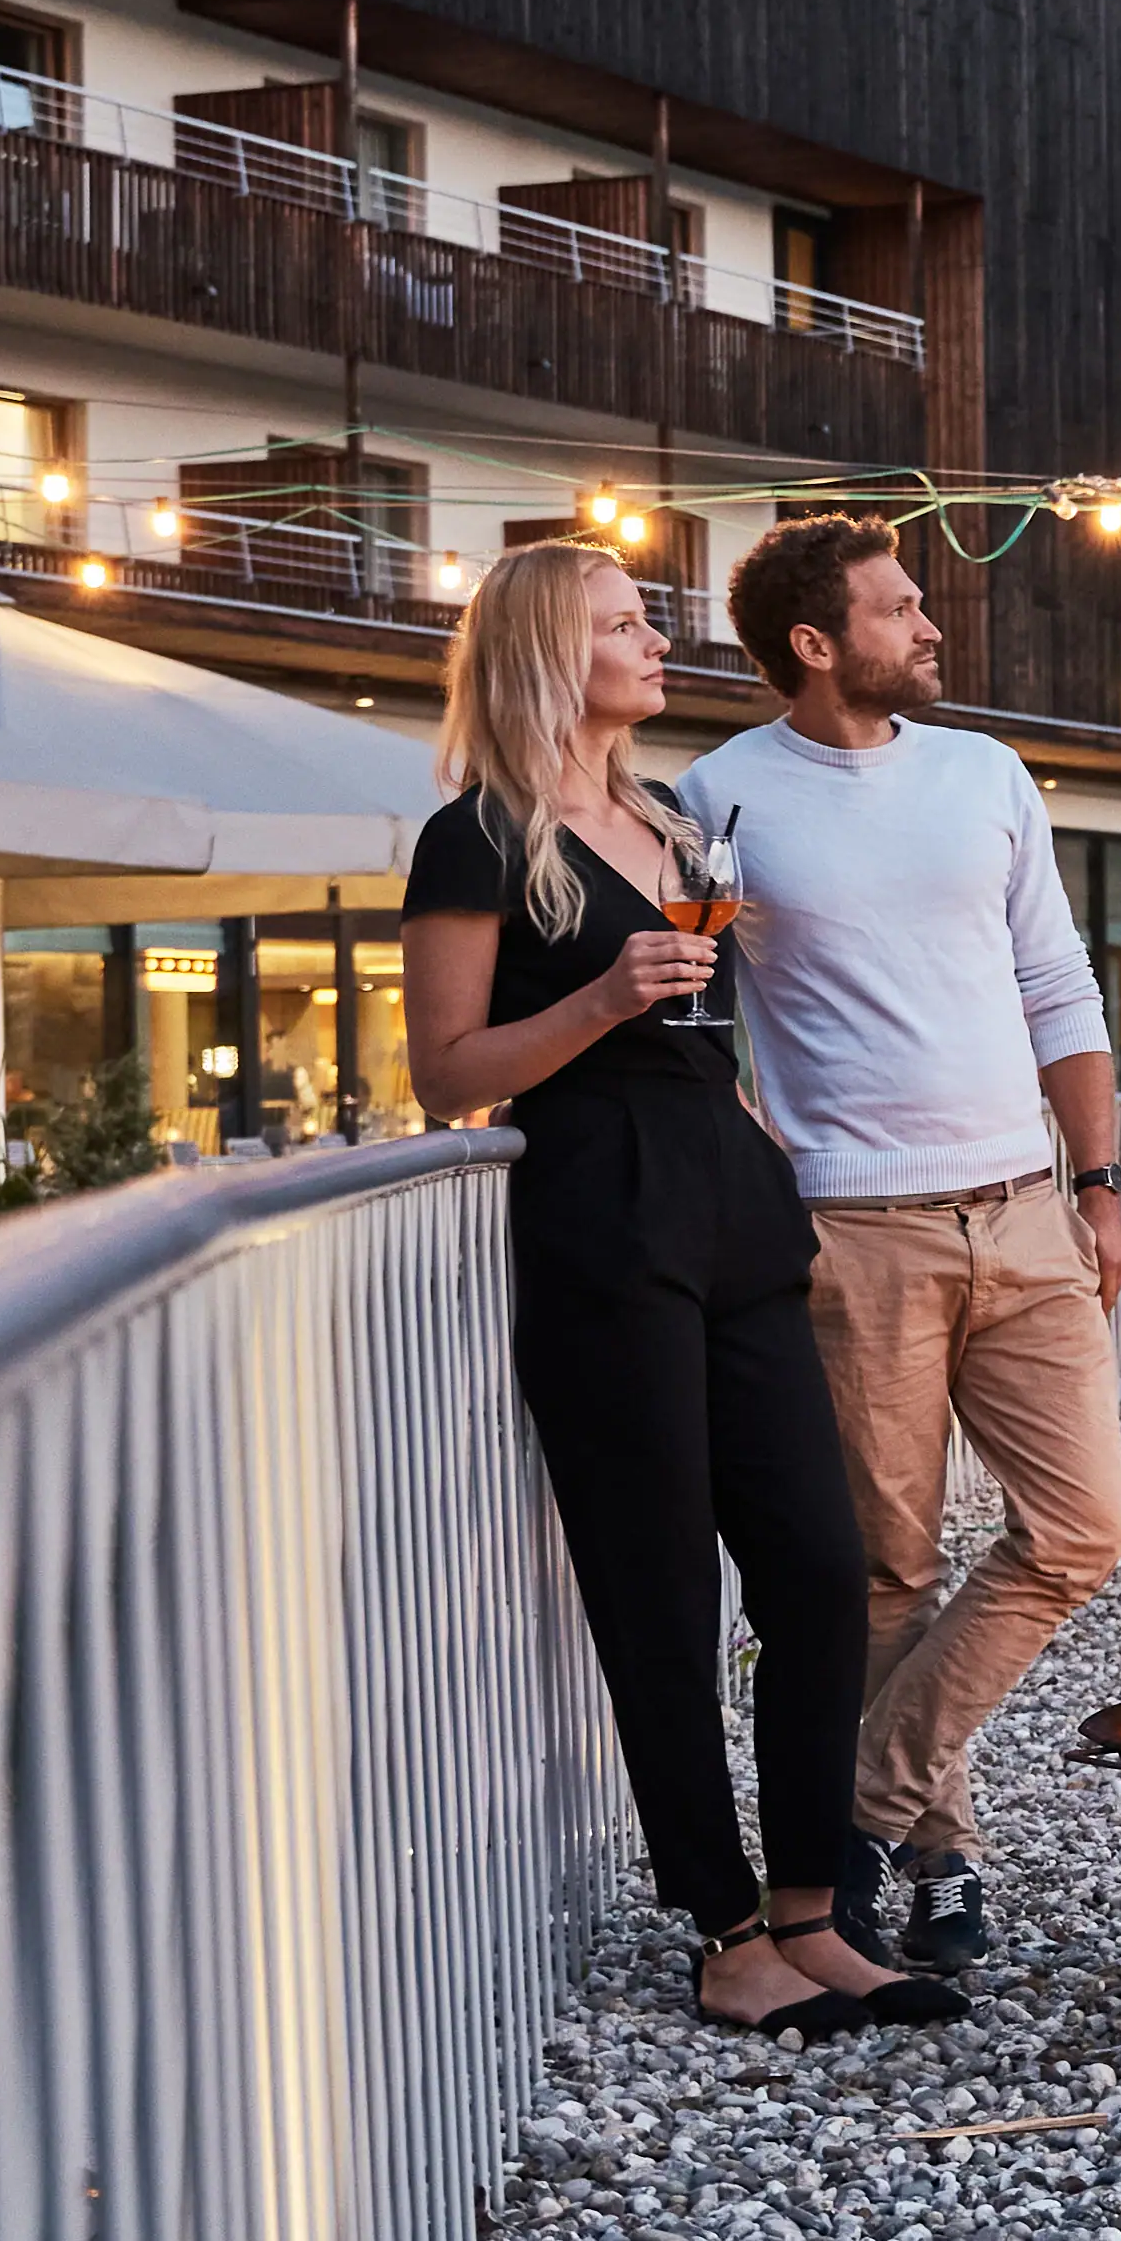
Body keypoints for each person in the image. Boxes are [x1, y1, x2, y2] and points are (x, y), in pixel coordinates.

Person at [400, 537, 946, 2038]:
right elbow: (443, 1074)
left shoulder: (669, 820)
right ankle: (724, 1932)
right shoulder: (475, 841)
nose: (658, 642)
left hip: (731, 1209)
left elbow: (711, 1041)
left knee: (821, 1568)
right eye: (625, 625)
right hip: (599, 1218)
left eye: (647, 620)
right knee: (658, 1591)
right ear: (542, 656)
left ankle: (812, 1908)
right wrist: (599, 995)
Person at [677, 516, 1121, 1982]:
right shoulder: (718, 799)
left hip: (1023, 1208)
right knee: (888, 1573)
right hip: (853, 1232)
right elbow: (691, 1014)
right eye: (900, 608)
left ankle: (852, 1814)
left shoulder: (986, 774)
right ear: (816, 644)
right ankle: (940, 1859)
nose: (931, 629)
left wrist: (1102, 1182)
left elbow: (1055, 983)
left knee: (1080, 1530)